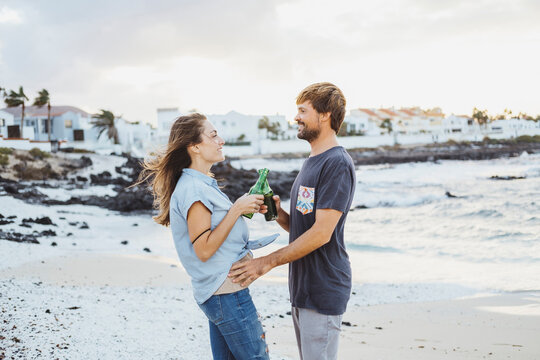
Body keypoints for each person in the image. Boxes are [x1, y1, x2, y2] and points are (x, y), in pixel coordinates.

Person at [229, 82, 356, 360]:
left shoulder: (336, 163)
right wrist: (278, 214)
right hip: (303, 286)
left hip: (323, 286)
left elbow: (322, 234)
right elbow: (304, 229)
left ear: (324, 115)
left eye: (302, 110)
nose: (296, 117)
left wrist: (265, 262)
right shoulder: (313, 160)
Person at [137, 113, 278, 360]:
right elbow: (203, 249)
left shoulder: (198, 184)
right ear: (195, 147)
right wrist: (235, 210)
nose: (221, 140)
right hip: (225, 291)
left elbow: (214, 231)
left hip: (219, 290)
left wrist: (244, 208)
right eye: (213, 135)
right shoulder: (194, 189)